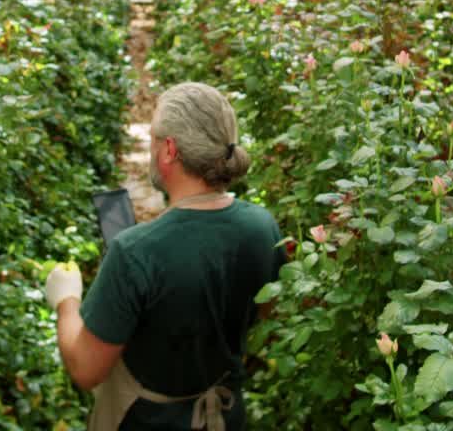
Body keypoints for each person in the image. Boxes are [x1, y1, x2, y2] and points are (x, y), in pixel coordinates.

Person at [44, 82, 287, 430]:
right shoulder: (262, 227)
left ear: (169, 150)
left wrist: (66, 299)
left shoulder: (134, 252)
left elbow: (86, 370)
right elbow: (267, 314)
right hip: (226, 417)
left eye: (153, 138)